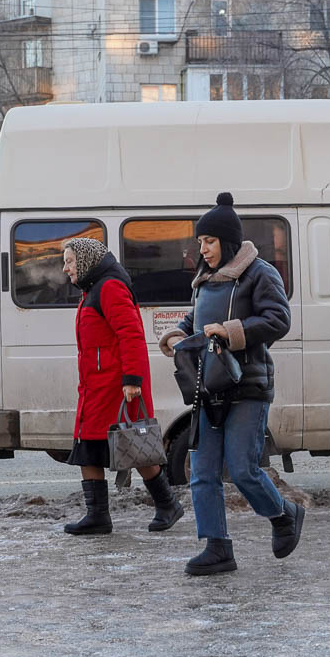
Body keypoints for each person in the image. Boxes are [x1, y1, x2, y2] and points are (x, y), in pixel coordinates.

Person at [158, 192, 301, 576]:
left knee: (242, 468)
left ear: (228, 242)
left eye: (209, 241)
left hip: (248, 384)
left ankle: (284, 514)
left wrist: (232, 331)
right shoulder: (203, 280)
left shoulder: (260, 273)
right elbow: (196, 320)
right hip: (210, 386)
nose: (202, 249)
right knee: (201, 468)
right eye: (200, 242)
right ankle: (217, 546)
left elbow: (278, 319)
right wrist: (177, 333)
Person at [60, 238, 183, 536]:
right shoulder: (92, 289)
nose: (66, 268)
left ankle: (168, 504)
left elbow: (132, 334)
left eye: (70, 261)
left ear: (87, 261)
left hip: (117, 387)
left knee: (132, 446)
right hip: (95, 387)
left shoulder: (109, 288)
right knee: (87, 447)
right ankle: (97, 516)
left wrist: (132, 380)